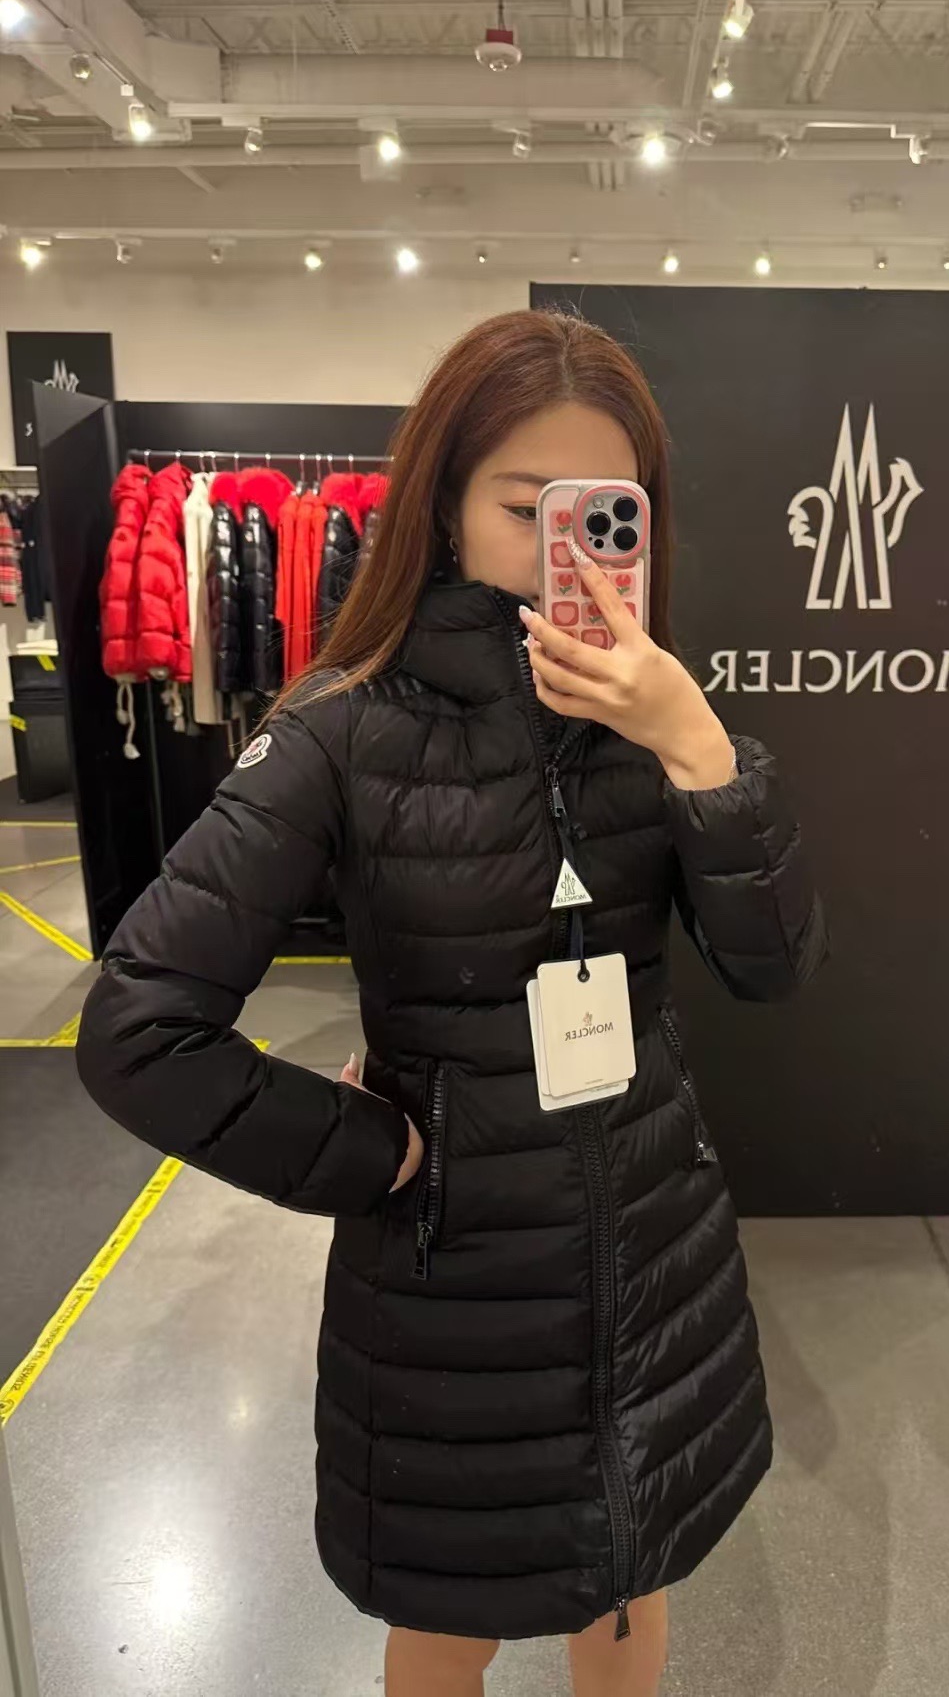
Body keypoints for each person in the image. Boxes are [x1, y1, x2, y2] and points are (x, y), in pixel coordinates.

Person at [75, 308, 830, 1697]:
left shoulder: (658, 719)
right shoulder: (342, 727)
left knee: (628, 1591)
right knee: (444, 1624)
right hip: (450, 1295)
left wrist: (696, 743)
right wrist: (374, 1157)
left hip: (653, 1257)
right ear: (442, 505)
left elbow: (772, 965)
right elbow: (139, 1030)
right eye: (526, 507)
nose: (567, 547)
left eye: (605, 512)